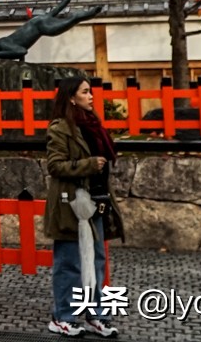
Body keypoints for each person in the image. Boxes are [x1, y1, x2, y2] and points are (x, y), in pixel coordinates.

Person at [44, 75, 124, 338]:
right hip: (72, 205)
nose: (91, 96)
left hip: (97, 200)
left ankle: (96, 315)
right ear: (71, 97)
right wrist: (88, 164)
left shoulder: (93, 124)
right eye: (85, 92)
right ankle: (62, 317)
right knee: (70, 262)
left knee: (97, 260)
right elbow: (55, 166)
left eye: (90, 91)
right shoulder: (60, 128)